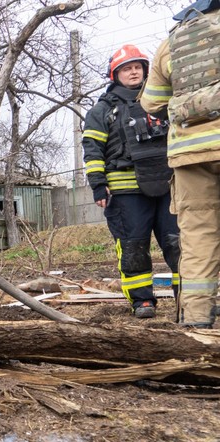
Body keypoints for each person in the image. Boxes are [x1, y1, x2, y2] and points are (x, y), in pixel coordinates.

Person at [82, 44, 180, 319]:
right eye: (127, 68)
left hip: (169, 185)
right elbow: (92, 149)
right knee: (133, 246)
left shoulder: (162, 102)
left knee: (178, 244)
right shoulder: (102, 110)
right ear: (116, 74)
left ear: (146, 71)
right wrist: (98, 184)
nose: (134, 71)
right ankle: (142, 302)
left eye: (138, 67)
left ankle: (188, 299)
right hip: (125, 190)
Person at [140, 0, 220, 328]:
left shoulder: (175, 38)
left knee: (198, 238)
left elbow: (152, 101)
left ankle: (198, 321)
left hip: (190, 154)